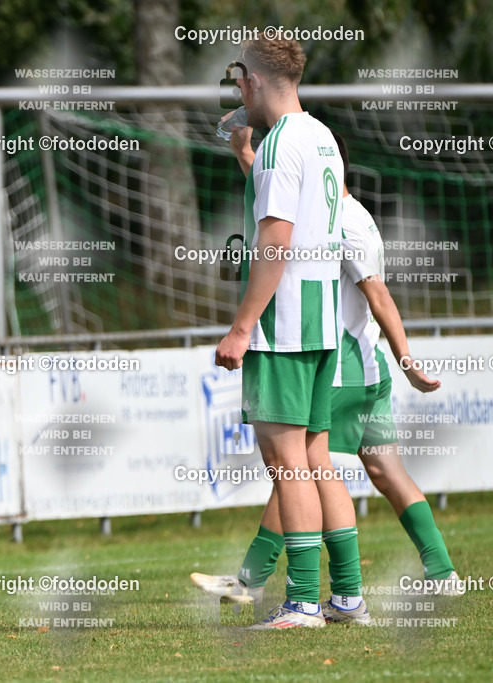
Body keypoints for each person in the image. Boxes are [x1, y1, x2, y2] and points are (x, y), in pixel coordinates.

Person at [192, 133, 461, 618]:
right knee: (377, 470)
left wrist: (409, 362)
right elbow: (275, 192)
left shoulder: (347, 221)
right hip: (364, 366)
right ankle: (439, 572)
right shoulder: (338, 211)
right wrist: (243, 154)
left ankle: (263, 582)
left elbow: (379, 296)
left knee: (303, 467)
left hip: (345, 368)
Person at [211, 37, 354, 629]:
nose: (236, 89)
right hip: (323, 321)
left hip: (284, 325)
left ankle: (300, 602)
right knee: (316, 458)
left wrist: (242, 328)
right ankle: (346, 595)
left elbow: (274, 242)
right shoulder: (319, 135)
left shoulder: (279, 147)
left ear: (259, 81)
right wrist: (247, 151)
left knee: (287, 463)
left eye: (239, 78)